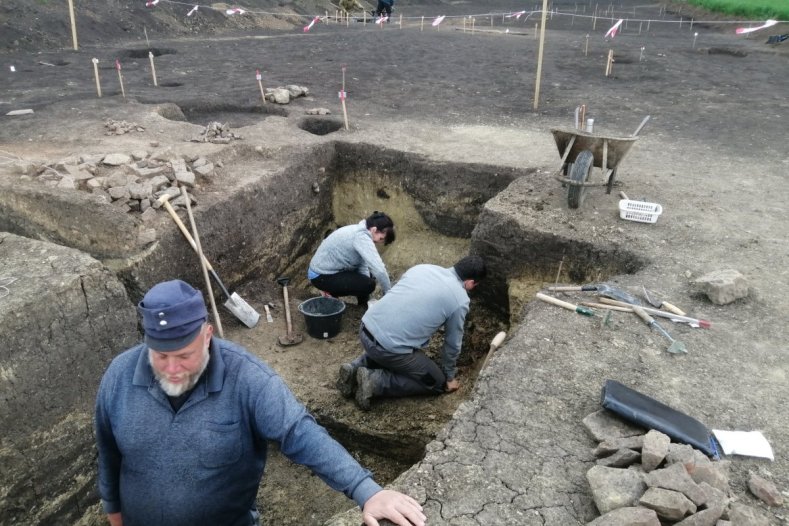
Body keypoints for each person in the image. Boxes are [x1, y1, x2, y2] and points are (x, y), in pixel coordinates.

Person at [95, 279, 426, 526]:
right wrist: (115, 515)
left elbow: (298, 432)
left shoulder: (248, 378)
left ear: (207, 335)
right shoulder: (119, 376)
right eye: (160, 355)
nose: (171, 369)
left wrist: (366, 490)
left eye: (183, 355)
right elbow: (109, 454)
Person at [337, 256, 486, 410]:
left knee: (390, 343)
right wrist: (448, 376)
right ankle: (375, 382)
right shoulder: (460, 300)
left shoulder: (423, 268)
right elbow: (452, 343)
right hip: (387, 349)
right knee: (435, 382)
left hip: (365, 328)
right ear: (470, 283)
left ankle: (354, 367)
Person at [308, 211, 395, 307]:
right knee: (369, 284)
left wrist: (365, 286)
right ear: (374, 230)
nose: (379, 242)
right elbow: (380, 270)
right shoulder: (361, 237)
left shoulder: (360, 230)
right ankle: (330, 292)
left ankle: (363, 306)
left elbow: (363, 264)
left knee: (367, 279)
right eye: (381, 238)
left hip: (328, 270)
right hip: (320, 276)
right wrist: (388, 295)